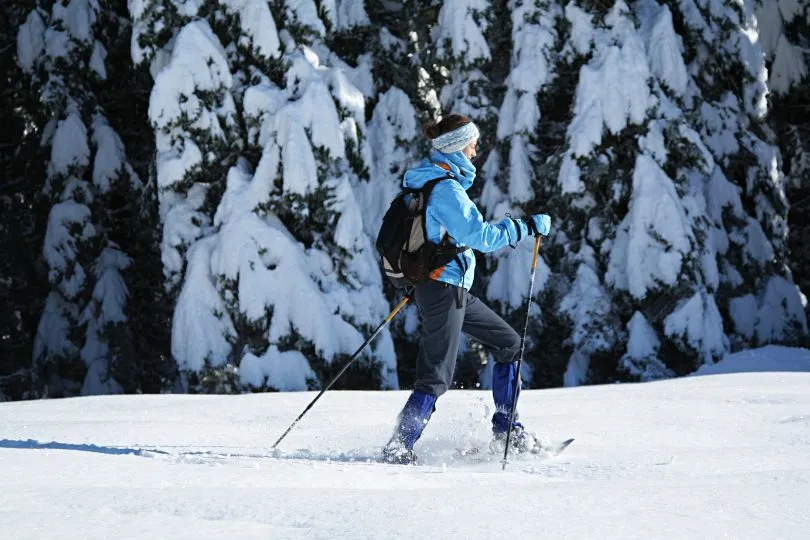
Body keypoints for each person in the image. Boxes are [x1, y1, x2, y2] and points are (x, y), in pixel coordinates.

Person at [382, 113, 552, 465]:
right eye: (472, 145)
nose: (475, 152)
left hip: (448, 287)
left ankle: (507, 429)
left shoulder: (429, 183)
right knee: (436, 376)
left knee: (508, 344)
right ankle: (399, 447)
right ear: (456, 147)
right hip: (443, 289)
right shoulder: (445, 189)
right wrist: (525, 226)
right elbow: (481, 238)